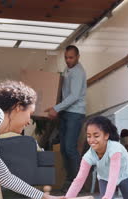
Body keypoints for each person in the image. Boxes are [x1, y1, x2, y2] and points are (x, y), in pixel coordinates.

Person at [45, 45, 87, 191]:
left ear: (78, 57)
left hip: (75, 114)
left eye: (71, 57)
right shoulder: (67, 70)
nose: (68, 60)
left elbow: (74, 96)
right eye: (66, 57)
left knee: (70, 148)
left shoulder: (78, 73)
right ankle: (70, 180)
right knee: (63, 149)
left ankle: (77, 182)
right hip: (66, 113)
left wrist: (56, 108)